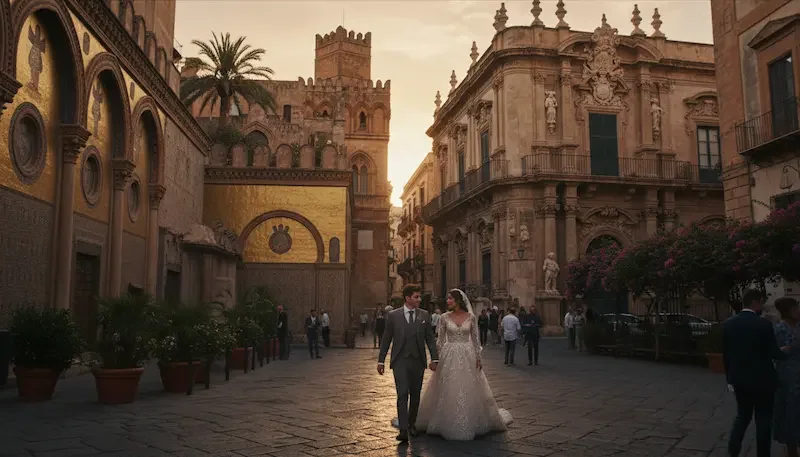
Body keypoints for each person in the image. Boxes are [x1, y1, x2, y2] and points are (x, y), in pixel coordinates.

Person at [406, 289, 512, 440]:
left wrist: (478, 357)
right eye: (447, 298)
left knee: (468, 385)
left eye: (450, 299)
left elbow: (475, 340)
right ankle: (444, 420)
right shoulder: (443, 317)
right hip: (448, 355)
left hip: (467, 354)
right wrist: (435, 359)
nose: (447, 301)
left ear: (458, 301)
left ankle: (470, 420)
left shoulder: (471, 317)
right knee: (447, 386)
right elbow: (440, 340)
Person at [724, 289, 790, 457]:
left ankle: (733, 452)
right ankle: (763, 454)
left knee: (742, 418)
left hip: (739, 380)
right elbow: (774, 353)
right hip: (763, 381)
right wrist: (785, 350)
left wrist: (730, 378)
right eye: (761, 302)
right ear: (755, 302)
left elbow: (727, 355)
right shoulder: (764, 325)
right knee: (763, 420)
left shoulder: (729, 324)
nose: (762, 305)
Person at [377, 284, 439, 442]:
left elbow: (430, 339)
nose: (419, 299)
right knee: (402, 394)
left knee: (415, 395)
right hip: (400, 361)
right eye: (416, 297)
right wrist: (381, 360)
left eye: (419, 297)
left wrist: (434, 358)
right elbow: (386, 339)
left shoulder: (424, 315)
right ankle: (403, 429)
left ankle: (412, 424)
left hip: (418, 361)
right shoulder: (393, 316)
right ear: (407, 298)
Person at [773, 297, 800, 457]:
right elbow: (774, 353)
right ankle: (791, 448)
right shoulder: (779, 329)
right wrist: (787, 348)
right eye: (796, 308)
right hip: (787, 375)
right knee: (791, 410)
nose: (798, 311)